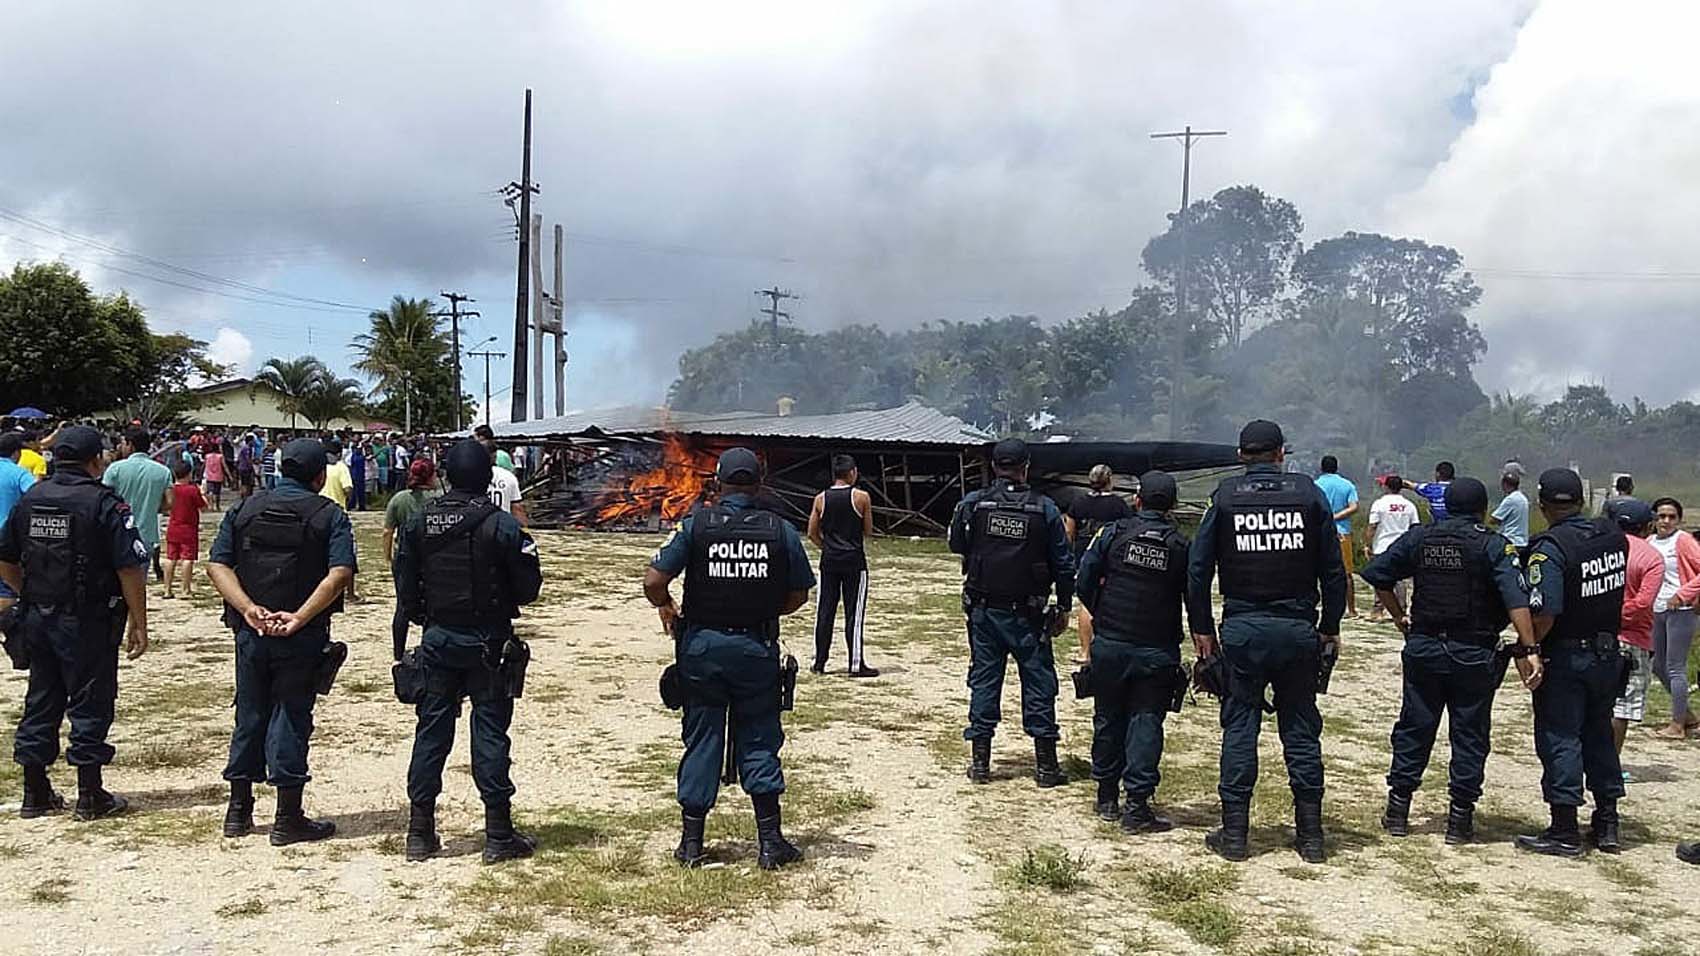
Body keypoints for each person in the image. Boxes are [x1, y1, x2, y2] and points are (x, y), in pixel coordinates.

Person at [644, 448, 815, 869]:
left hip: (702, 647)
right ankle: (771, 843)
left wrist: (667, 605)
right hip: (755, 648)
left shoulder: (695, 525)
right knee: (759, 736)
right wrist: (761, 608)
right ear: (759, 483)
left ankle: (691, 844)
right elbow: (798, 594)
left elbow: (653, 581)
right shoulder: (780, 531)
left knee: (702, 736)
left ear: (717, 483)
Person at [1187, 420, 1347, 864]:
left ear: (1241, 456)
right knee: (1300, 729)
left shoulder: (1224, 497)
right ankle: (1311, 837)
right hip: (1298, 629)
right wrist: (1330, 625)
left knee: (1240, 728)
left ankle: (1235, 835)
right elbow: (1334, 571)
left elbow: (1198, 570)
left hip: (1242, 629)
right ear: (1281, 454)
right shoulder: (1309, 494)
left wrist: (1202, 628)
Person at [1360, 477, 1540, 845]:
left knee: (1414, 725)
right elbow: (1515, 599)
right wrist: (1531, 646)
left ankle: (1398, 810)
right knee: (1470, 733)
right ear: (1483, 510)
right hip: (1473, 652)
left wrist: (1399, 616)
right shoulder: (1493, 545)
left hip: (1424, 647)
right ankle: (1460, 819)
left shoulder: (1420, 539)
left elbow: (1378, 575)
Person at [393, 440, 542, 863]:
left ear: (447, 476)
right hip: (488, 643)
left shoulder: (419, 524)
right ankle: (498, 834)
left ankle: (420, 832)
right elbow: (529, 588)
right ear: (486, 479)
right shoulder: (503, 527)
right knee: (490, 732)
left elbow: (405, 593)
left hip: (439, 639)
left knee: (431, 732)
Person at [205, 438, 355, 846]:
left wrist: (249, 608)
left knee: (249, 713)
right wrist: (300, 617)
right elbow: (340, 572)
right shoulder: (329, 514)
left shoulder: (244, 508)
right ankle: (288, 817)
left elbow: (217, 564)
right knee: (291, 715)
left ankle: (238, 811)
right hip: (301, 635)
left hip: (250, 632)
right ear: (320, 476)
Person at [0, 426, 150, 820]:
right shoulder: (103, 503)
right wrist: (139, 619)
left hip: (37, 615)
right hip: (88, 620)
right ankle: (90, 793)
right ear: (95, 461)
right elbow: (129, 566)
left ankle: (35, 791)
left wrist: (27, 592)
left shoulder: (32, 499)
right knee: (90, 700)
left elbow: (5, 556)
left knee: (42, 696)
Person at [1075, 470, 1198, 833]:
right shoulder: (1180, 546)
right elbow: (1193, 598)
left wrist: (1105, 610)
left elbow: (1084, 580)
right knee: (1146, 721)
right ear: (1173, 506)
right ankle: (1137, 805)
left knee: (1108, 716)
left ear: (1138, 500)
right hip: (1156, 648)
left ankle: (1106, 796)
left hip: (1111, 643)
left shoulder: (1113, 534)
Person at [948, 438, 1075, 788]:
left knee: (985, 680)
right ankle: (1047, 768)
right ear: (1026, 467)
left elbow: (957, 544)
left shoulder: (973, 505)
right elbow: (1064, 564)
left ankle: (981, 764)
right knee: (1038, 683)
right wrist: (1063, 606)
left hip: (984, 612)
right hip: (1029, 615)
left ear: (994, 467)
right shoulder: (1045, 509)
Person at [1516, 468, 1628, 857]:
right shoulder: (1612, 535)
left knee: (1560, 736)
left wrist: (1528, 647)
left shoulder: (1550, 548)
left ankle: (1564, 828)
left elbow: (1545, 610)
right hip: (1608, 653)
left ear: (1543, 504)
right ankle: (1608, 822)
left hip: (1568, 654)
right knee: (1599, 734)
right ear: (1580, 499)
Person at [806, 454, 878, 678]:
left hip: (829, 560)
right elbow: (868, 531)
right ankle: (855, 663)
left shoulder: (821, 498)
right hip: (854, 561)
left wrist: (827, 547)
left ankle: (819, 662)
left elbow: (811, 532)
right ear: (852, 473)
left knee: (825, 611)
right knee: (854, 614)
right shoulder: (862, 497)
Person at [1603, 499, 1661, 759]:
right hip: (1633, 636)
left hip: (1598, 633)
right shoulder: (1651, 557)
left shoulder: (1600, 548)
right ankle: (1610, 762)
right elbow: (1643, 603)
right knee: (1623, 706)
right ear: (1647, 527)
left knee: (1598, 701)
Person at [1065, 464, 1133, 659]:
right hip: (1110, 558)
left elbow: (1069, 531)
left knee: (1085, 603)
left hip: (1084, 556)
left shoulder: (1078, 503)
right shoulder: (1119, 505)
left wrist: (1070, 554)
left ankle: (1085, 651)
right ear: (1109, 480)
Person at [1647, 497, 1700, 738]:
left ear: (1679, 519)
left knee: (1675, 666)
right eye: (1661, 516)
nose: (1665, 521)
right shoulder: (1650, 542)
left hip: (1682, 610)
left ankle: (1678, 725)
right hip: (1657, 609)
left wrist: (1683, 594)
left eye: (1671, 516)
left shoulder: (1684, 541)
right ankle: (1687, 714)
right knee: (1658, 665)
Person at [386, 459, 442, 663]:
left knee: (402, 606)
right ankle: (428, 648)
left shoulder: (399, 499)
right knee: (432, 604)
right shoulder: (439, 498)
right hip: (431, 557)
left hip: (404, 557)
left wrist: (388, 555)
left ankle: (398, 653)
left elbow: (388, 530)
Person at [102, 427, 174, 586]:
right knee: (138, 586)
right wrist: (154, 505)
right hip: (146, 535)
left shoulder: (115, 469)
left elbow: (103, 499)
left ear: (130, 445)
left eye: (123, 443)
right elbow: (169, 503)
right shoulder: (163, 471)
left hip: (117, 535)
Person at [1365, 475, 1419, 622]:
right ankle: (1400, 610)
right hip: (1402, 546)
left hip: (1382, 545)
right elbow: (1415, 527)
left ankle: (1378, 610)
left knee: (1380, 579)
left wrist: (1368, 544)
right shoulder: (1409, 505)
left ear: (1386, 486)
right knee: (1400, 580)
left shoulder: (1379, 504)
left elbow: (1372, 526)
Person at [1314, 456, 1360, 618]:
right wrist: (1336, 517)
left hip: (1318, 531)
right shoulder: (1347, 485)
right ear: (1336, 467)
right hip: (1342, 532)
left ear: (1321, 467)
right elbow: (1354, 507)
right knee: (1346, 572)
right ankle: (1351, 609)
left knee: (1315, 571)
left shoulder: (1315, 485)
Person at [163, 461, 208, 599]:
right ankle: (185, 589)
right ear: (189, 474)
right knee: (187, 558)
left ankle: (167, 589)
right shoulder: (192, 489)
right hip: (188, 528)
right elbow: (204, 507)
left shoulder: (171, 489)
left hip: (173, 526)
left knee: (170, 558)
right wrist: (203, 493)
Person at [476, 431, 527, 525]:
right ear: (495, 456)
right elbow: (517, 508)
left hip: (478, 528)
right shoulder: (508, 476)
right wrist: (524, 532)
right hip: (502, 528)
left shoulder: (471, 476)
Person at [1489, 463, 1531, 557]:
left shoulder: (1510, 499)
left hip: (1510, 541)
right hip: (1522, 542)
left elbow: (1493, 520)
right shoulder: (1522, 498)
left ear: (1504, 484)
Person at [320, 439, 354, 509]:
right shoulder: (341, 467)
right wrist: (348, 500)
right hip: (337, 508)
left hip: (320, 507)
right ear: (339, 454)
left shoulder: (319, 466)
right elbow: (347, 489)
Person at [202, 444, 226, 511]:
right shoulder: (220, 456)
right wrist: (229, 475)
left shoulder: (207, 456)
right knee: (217, 492)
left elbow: (204, 465)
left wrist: (201, 474)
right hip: (218, 476)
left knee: (210, 492)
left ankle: (211, 506)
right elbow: (224, 466)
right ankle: (217, 506)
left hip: (209, 476)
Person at [349, 442, 368, 512]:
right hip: (358, 476)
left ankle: (354, 505)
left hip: (357, 476)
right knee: (359, 492)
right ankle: (359, 505)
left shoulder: (354, 456)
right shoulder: (359, 457)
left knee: (357, 492)